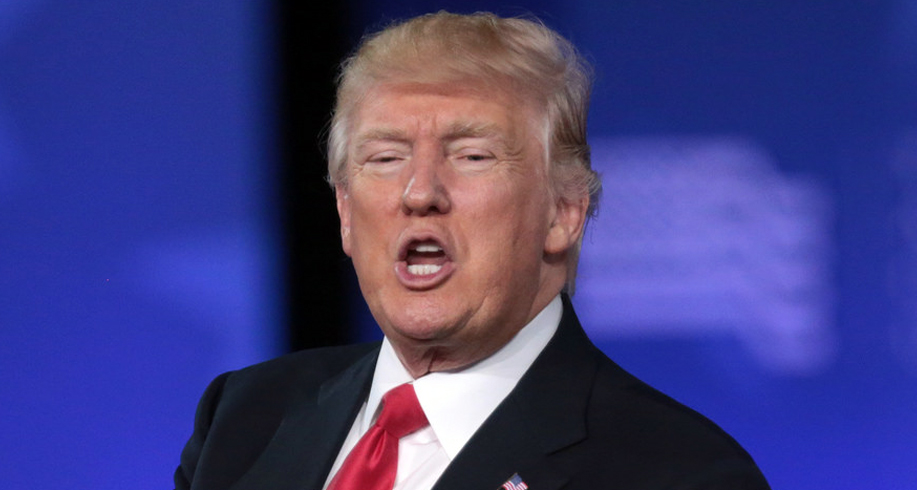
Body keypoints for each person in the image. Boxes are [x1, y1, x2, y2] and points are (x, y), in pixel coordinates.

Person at [174, 11, 770, 490]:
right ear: (346, 214)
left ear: (564, 212)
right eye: (385, 158)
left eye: (472, 156)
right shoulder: (244, 418)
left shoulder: (679, 473)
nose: (420, 192)